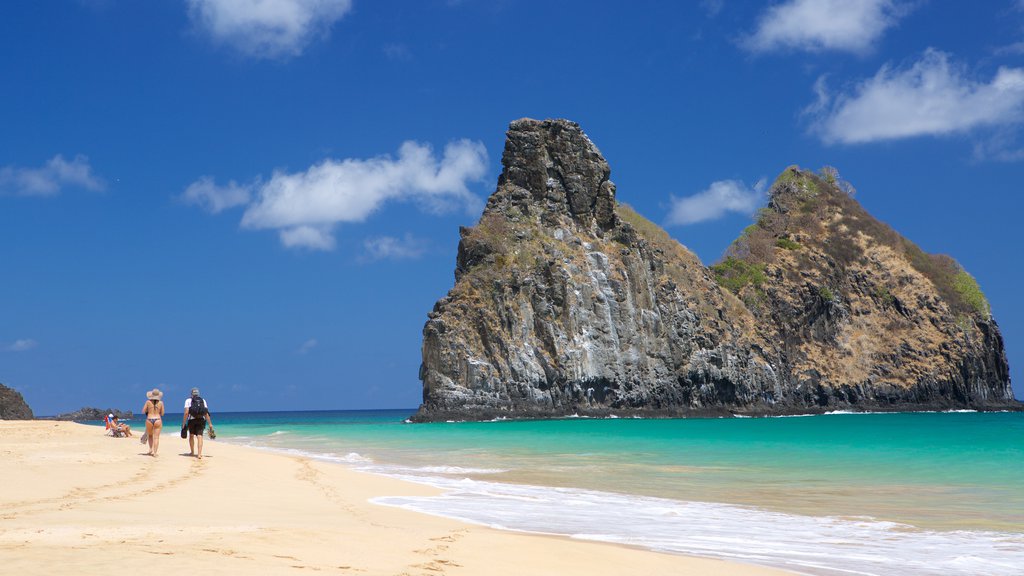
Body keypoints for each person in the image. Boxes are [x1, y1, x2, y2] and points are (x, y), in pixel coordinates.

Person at [182, 387, 215, 459]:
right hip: (201, 420)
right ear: (198, 394)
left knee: (191, 435)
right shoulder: (203, 400)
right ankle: (199, 454)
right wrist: (210, 424)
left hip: (192, 420)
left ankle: (192, 452)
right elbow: (206, 413)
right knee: (200, 436)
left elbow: (186, 413)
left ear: (191, 394)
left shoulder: (188, 400)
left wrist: (184, 423)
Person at [141, 388, 165, 456]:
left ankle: (150, 449)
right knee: (156, 437)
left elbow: (143, 411)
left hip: (149, 419)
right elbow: (162, 413)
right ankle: (155, 453)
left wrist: (149, 410)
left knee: (150, 435)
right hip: (157, 419)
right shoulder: (161, 403)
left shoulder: (148, 402)